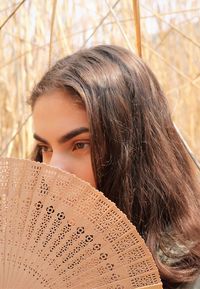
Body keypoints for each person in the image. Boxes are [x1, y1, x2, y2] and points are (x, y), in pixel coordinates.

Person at [29, 45, 200, 289]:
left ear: (134, 150)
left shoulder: (189, 273)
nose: (53, 170)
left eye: (80, 145)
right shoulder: (36, 262)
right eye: (46, 148)